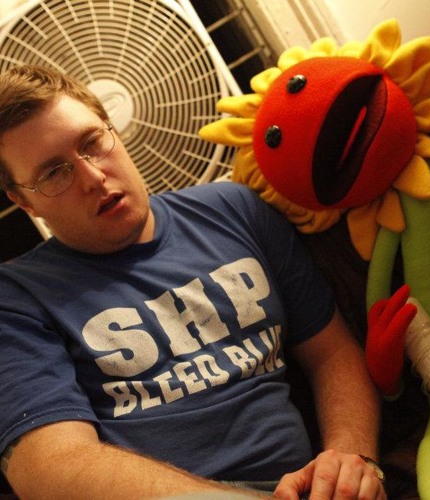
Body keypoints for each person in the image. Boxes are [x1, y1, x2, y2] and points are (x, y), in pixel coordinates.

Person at [0, 65, 385, 500]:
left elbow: (331, 352)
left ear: (114, 130)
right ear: (25, 202)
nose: (92, 178)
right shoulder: (16, 296)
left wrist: (352, 460)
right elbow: (50, 467)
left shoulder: (235, 210)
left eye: (92, 143)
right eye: (54, 173)